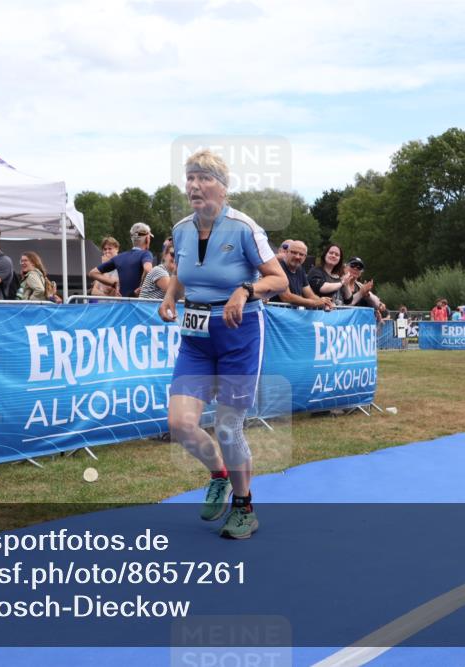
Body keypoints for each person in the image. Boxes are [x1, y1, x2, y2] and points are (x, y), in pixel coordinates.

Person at [158, 149, 286, 540]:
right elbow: (183, 271)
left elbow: (278, 279)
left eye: (204, 178)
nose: (195, 185)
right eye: (190, 178)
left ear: (224, 188)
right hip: (196, 337)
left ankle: (244, 506)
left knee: (228, 426)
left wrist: (245, 290)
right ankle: (219, 474)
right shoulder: (181, 229)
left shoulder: (244, 228)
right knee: (180, 424)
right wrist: (169, 297)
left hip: (239, 333)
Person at [88, 223, 154, 297]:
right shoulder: (146, 254)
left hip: (122, 305)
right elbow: (148, 270)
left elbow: (92, 273)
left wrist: (114, 283)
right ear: (147, 239)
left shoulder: (119, 257)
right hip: (138, 304)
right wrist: (142, 286)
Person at [270, 239, 332, 309]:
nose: (297, 257)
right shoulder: (278, 268)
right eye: (294, 252)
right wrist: (315, 303)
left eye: (301, 254)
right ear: (286, 252)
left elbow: (310, 295)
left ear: (305, 257)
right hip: (276, 316)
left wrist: (325, 302)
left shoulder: (300, 269)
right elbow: (286, 297)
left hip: (291, 315)